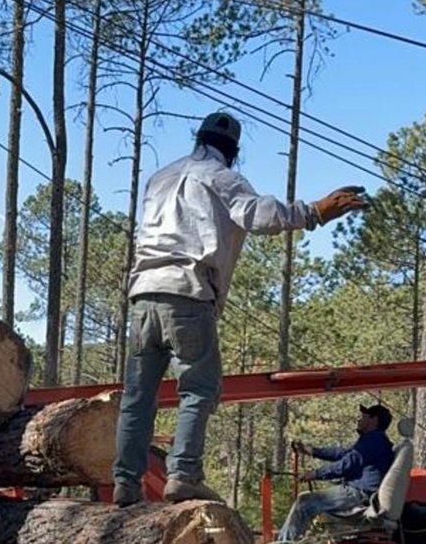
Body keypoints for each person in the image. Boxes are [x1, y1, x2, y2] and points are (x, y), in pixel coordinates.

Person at [113, 111, 368, 506]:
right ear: (232, 151)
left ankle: (126, 484)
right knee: (198, 387)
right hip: (188, 292)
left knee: (137, 396)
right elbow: (260, 215)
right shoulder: (222, 177)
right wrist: (315, 212)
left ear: (198, 138)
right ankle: (183, 475)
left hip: (144, 294)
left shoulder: (159, 178)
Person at [278, 404, 395, 543]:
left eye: (364, 416)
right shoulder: (374, 440)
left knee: (304, 503)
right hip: (359, 492)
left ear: (374, 420)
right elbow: (343, 454)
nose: (359, 419)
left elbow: (347, 465)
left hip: (358, 494)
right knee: (304, 500)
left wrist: (316, 473)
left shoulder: (374, 441)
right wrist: (313, 451)